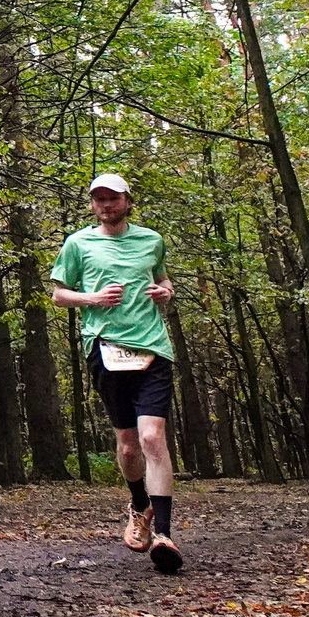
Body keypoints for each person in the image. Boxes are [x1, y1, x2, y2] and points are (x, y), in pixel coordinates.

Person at [49, 174, 182, 573]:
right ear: (93, 205)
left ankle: (165, 534)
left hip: (153, 347)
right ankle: (138, 504)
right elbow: (58, 294)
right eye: (98, 200)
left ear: (127, 201)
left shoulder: (151, 240)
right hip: (105, 349)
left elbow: (162, 279)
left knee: (152, 437)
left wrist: (166, 292)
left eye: (112, 199)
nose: (105, 205)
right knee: (128, 447)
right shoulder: (78, 243)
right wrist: (92, 297)